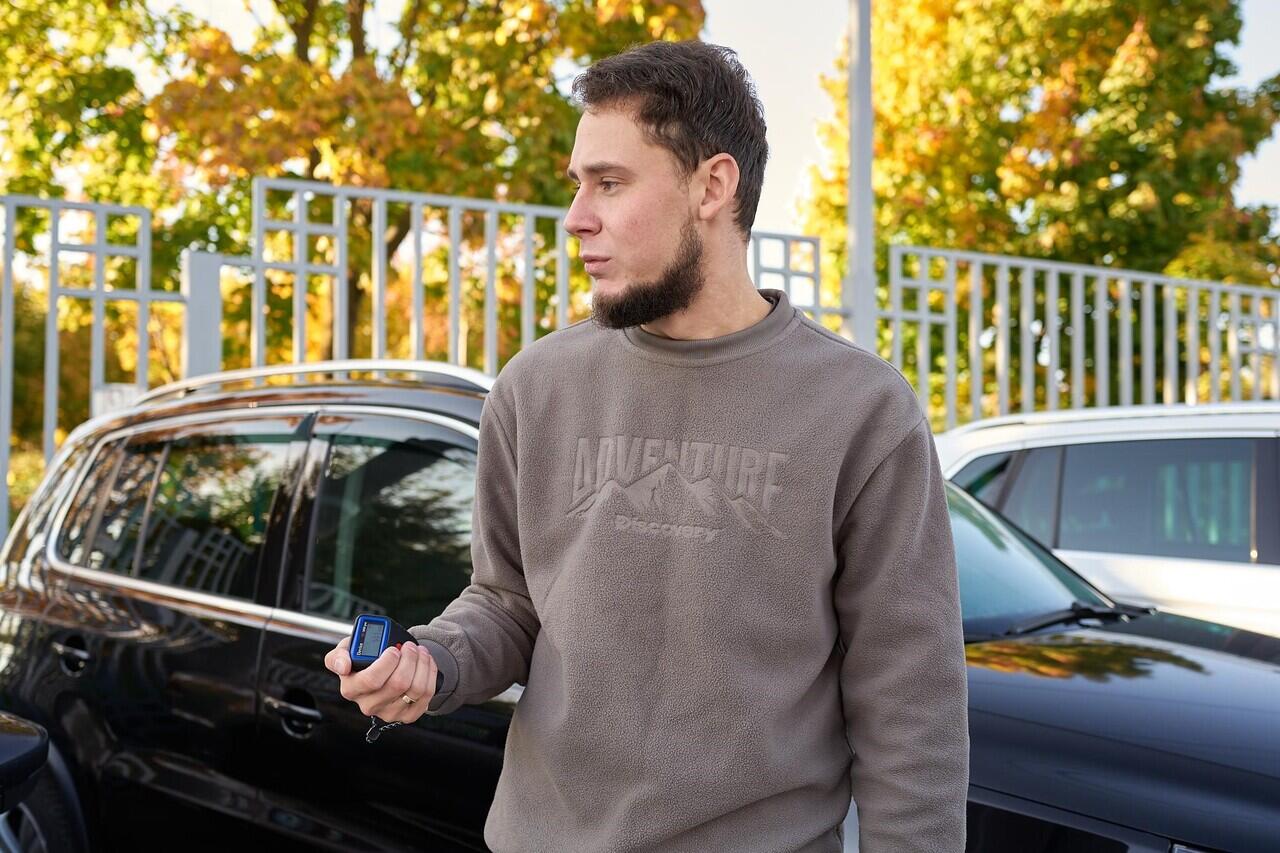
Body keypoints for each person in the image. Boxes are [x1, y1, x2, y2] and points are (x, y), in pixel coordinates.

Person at [324, 38, 969, 853]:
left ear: (713, 186)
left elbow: (910, 704)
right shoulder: (535, 387)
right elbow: (508, 600)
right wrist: (435, 660)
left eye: (610, 182)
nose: (576, 217)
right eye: (577, 183)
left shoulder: (863, 410)